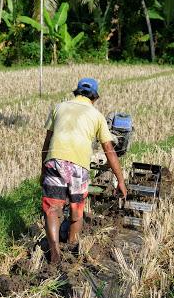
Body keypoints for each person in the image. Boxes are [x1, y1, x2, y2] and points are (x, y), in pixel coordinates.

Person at [41, 77, 127, 263]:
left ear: (76, 93)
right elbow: (109, 150)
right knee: (76, 209)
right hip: (79, 165)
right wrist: (120, 179)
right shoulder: (96, 116)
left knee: (53, 208)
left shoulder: (59, 107)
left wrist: (43, 169)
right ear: (95, 98)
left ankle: (54, 253)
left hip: (54, 159)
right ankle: (72, 246)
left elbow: (47, 141)